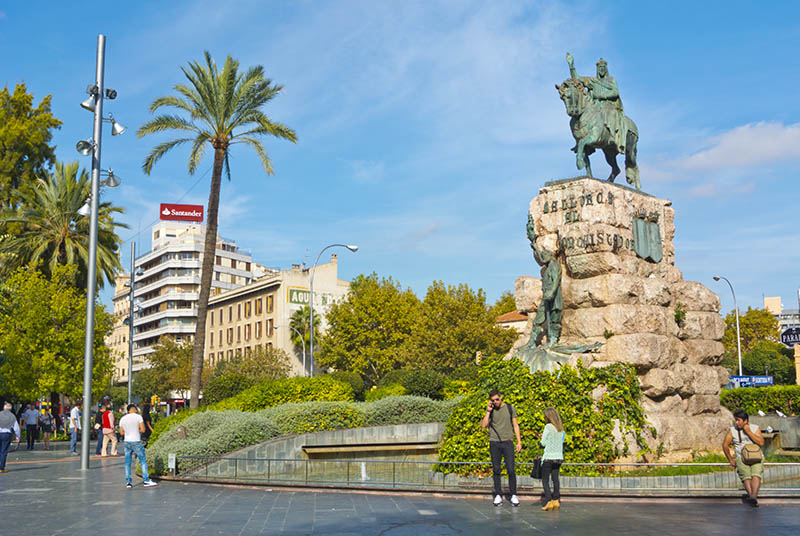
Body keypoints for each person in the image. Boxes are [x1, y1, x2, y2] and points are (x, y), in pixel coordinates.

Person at [480, 389, 522, 506]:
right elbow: (484, 425)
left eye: (497, 399)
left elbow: (515, 425)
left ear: (501, 397)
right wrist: (488, 411)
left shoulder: (509, 408)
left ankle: (513, 494)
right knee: (496, 469)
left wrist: (519, 441)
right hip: (494, 442)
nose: (495, 402)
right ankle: (498, 494)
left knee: (511, 469)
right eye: (493, 400)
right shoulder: (491, 410)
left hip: (508, 442)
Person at [723, 409, 765, 507]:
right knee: (746, 477)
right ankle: (752, 498)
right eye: (735, 420)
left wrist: (749, 432)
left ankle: (753, 496)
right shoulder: (732, 430)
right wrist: (730, 459)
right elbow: (725, 445)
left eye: (738, 420)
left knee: (756, 475)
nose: (736, 422)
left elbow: (761, 443)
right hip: (741, 457)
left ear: (745, 421)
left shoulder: (755, 428)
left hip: (756, 456)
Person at [119, 404, 157, 488]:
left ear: (128, 410)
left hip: (127, 442)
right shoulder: (138, 417)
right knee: (142, 460)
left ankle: (128, 482)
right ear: (135, 409)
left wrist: (128, 432)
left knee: (127, 463)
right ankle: (146, 480)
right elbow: (143, 429)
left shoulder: (122, 419)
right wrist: (136, 430)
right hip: (136, 441)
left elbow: (121, 432)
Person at [540, 407, 566, 511]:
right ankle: (556, 500)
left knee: (545, 480)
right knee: (555, 479)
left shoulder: (548, 427)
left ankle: (549, 501)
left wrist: (542, 438)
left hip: (548, 457)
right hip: (558, 457)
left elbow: (543, 443)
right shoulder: (561, 428)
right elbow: (561, 441)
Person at [0, 402, 21, 472]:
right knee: (3, 451)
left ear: (3, 408)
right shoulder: (12, 416)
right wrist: (17, 438)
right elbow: (16, 428)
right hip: (7, 434)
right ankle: (1, 468)